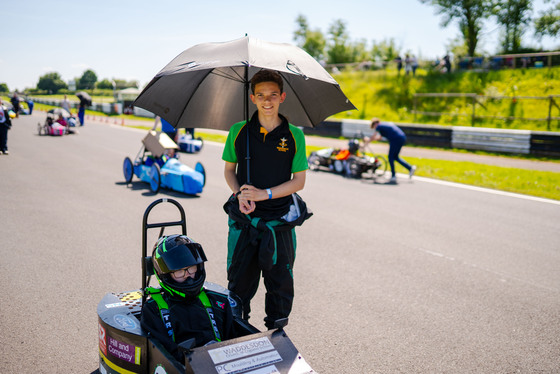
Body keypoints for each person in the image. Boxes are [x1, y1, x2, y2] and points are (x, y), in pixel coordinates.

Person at [222, 69, 310, 329]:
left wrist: (265, 194)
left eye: (273, 94)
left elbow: (299, 182)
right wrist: (240, 194)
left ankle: (277, 334)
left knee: (280, 285)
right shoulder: (239, 131)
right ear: (252, 98)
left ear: (282, 97)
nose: (267, 100)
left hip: (279, 221)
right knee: (239, 285)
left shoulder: (295, 134)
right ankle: (239, 335)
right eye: (260, 95)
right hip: (245, 221)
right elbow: (229, 171)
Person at [141, 235, 236, 361]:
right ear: (165, 275)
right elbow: (163, 356)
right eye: (179, 271)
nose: (188, 276)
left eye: (191, 268)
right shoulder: (153, 310)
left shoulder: (218, 302)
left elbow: (235, 342)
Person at [364, 118, 416, 184]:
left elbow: (373, 136)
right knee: (395, 157)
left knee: (390, 157)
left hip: (395, 139)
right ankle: (410, 168)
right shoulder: (384, 125)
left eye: (374, 127)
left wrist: (366, 143)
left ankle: (393, 175)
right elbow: (378, 138)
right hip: (401, 137)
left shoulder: (379, 126)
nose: (375, 128)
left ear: (375, 124)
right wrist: (370, 139)